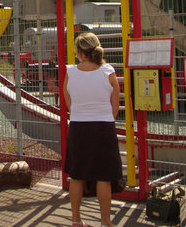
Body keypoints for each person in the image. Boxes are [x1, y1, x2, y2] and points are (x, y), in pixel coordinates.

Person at [63, 32, 122, 227]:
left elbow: (68, 102)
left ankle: (76, 220)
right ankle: (106, 221)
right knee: (103, 176)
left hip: (79, 127)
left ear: (79, 52)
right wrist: (105, 117)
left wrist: (81, 114)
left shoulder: (70, 72)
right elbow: (115, 103)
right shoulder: (107, 71)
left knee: (77, 176)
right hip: (103, 127)